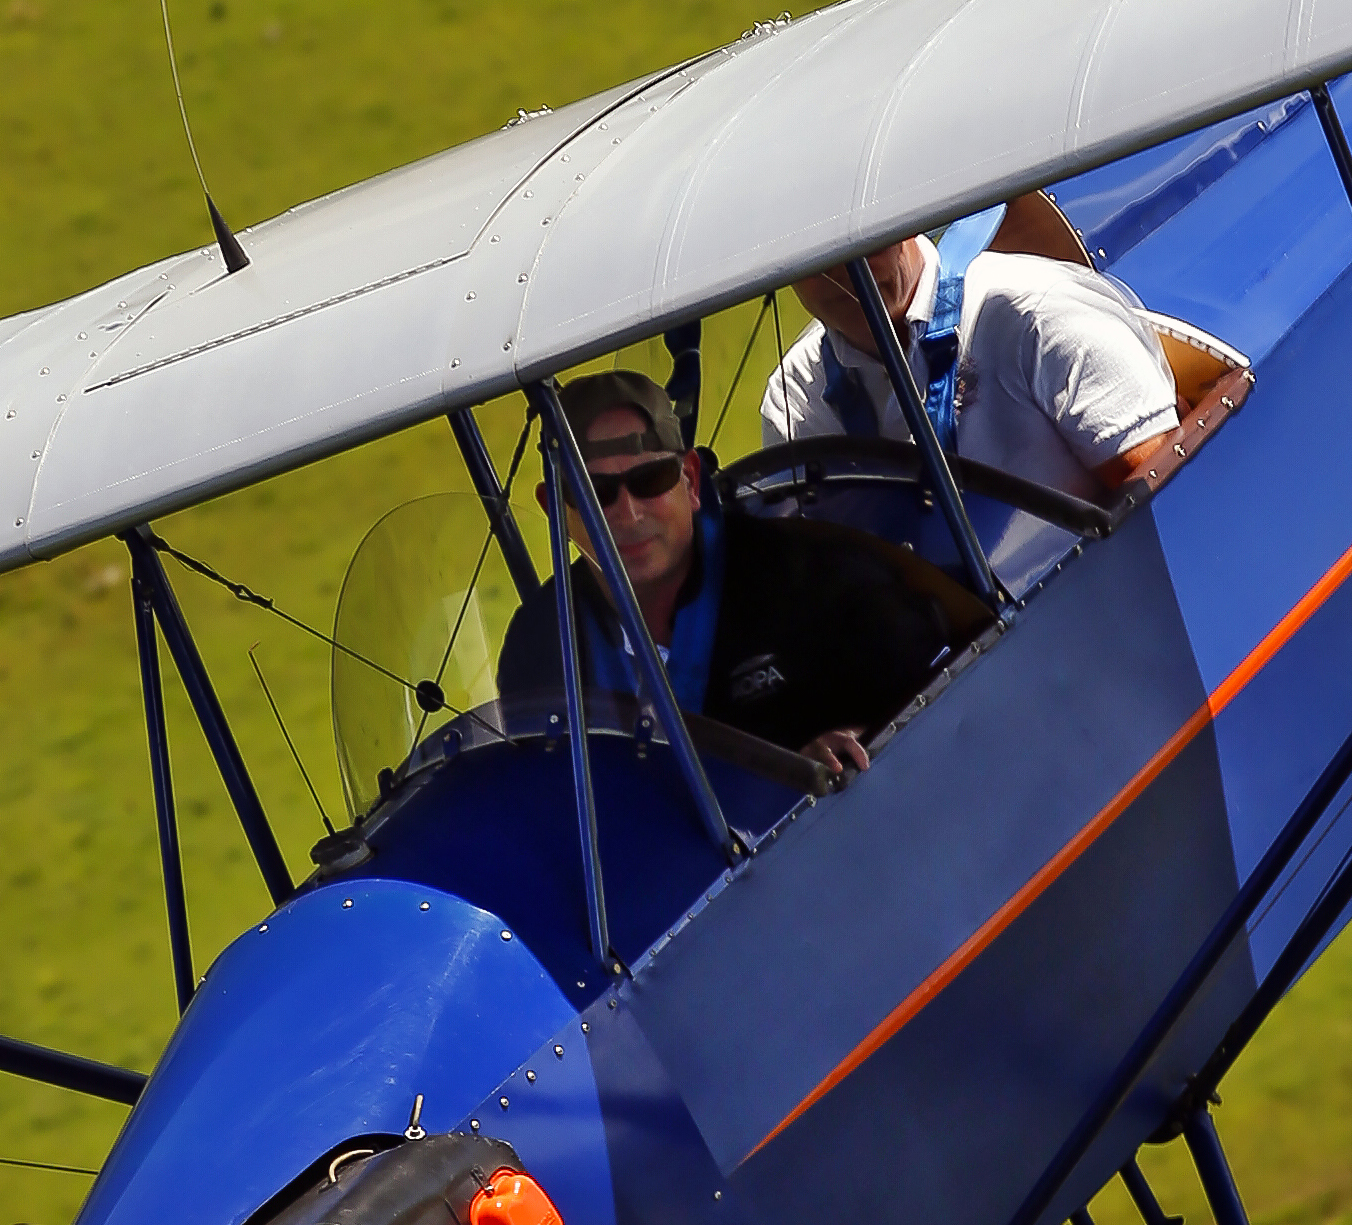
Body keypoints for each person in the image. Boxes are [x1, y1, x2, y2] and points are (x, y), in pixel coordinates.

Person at [495, 371, 988, 781]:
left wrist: (860, 740)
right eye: (596, 493)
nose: (627, 514)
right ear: (553, 508)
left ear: (689, 481)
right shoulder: (537, 646)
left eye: (650, 482)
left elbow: (947, 686)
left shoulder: (803, 577)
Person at [760, 189, 1188, 506]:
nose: (844, 274)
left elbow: (1169, 494)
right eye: (814, 256)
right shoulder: (795, 398)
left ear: (905, 216)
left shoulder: (1034, 313)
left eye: (861, 243)